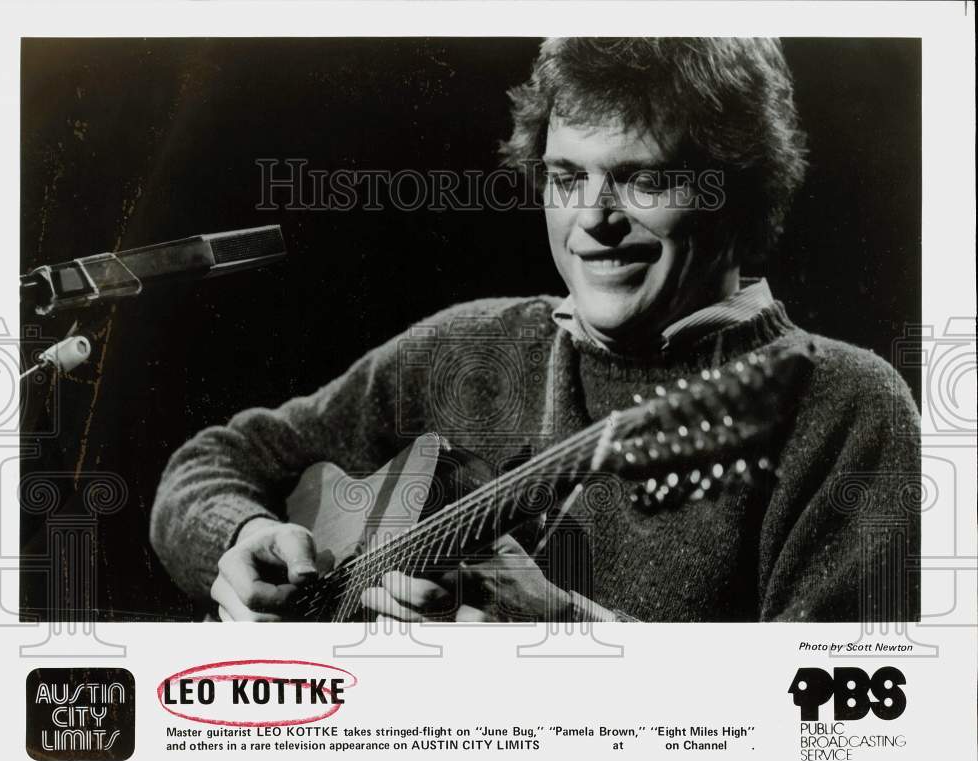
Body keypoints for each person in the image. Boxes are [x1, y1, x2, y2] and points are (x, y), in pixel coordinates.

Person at [150, 38, 920, 623]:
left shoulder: (843, 407)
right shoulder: (469, 346)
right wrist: (242, 537)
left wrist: (561, 631)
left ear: (739, 196)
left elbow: (830, 733)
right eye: (567, 178)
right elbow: (209, 463)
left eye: (643, 179)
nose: (593, 221)